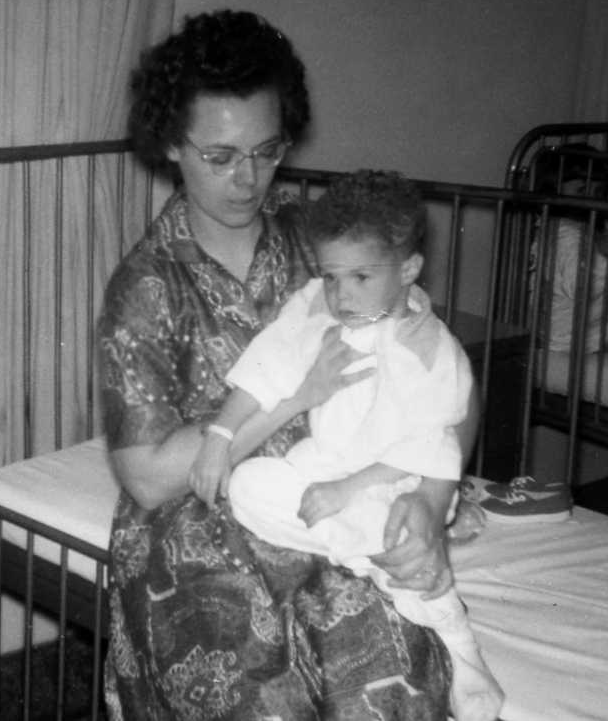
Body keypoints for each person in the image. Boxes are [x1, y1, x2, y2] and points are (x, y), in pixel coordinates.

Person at [97, 9, 480, 720]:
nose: (248, 179)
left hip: (332, 493)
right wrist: (294, 399)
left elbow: (442, 379)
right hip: (196, 522)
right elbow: (148, 478)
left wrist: (427, 504)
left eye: (267, 152)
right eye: (220, 156)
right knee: (260, 683)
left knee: (392, 662)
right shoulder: (147, 288)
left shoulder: (324, 244)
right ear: (171, 147)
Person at [189, 170, 503, 721]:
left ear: (408, 269)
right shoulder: (317, 306)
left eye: (360, 277)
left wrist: (347, 491)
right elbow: (269, 367)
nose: (342, 294)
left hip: (397, 481)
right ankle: (373, 563)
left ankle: (454, 634)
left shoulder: (430, 346)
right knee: (248, 486)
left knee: (398, 525)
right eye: (332, 276)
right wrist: (219, 436)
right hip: (326, 465)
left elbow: (432, 446)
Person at [531, 148, 608, 408]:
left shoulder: (572, 229)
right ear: (553, 190)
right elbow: (580, 286)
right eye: (582, 191)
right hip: (568, 338)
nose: (592, 201)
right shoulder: (565, 235)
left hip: (584, 327)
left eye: (598, 193)